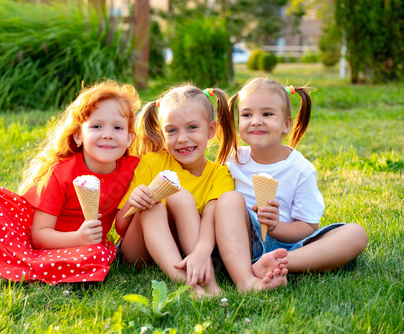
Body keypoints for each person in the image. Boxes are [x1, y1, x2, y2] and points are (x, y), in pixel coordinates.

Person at [0, 80, 140, 289]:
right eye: (96, 126)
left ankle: (4, 274)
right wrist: (78, 237)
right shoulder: (61, 174)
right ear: (78, 136)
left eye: (117, 127)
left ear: (129, 138)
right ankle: (11, 270)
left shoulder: (133, 169)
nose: (108, 134)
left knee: (98, 255)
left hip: (78, 250)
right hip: (29, 241)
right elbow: (38, 236)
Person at [115, 85, 284, 297]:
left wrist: (202, 252)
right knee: (157, 203)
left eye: (192, 128)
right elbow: (121, 227)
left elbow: (213, 216)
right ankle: (190, 284)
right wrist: (133, 201)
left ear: (211, 130)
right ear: (162, 133)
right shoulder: (152, 162)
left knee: (181, 197)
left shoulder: (219, 174)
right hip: (137, 252)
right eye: (172, 130)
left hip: (184, 252)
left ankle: (208, 282)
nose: (182, 139)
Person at [215, 77, 368, 293]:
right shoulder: (232, 160)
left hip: (288, 247)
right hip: (239, 245)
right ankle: (245, 280)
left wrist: (277, 227)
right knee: (229, 199)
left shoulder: (300, 169)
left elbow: (307, 227)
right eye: (247, 115)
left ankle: (275, 264)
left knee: (356, 233)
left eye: (267, 114)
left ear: (286, 124)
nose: (256, 121)